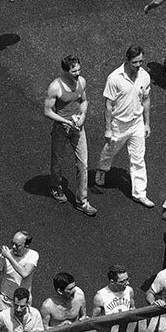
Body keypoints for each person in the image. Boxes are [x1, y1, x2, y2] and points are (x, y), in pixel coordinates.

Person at [95, 46, 153, 208]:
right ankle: (102, 169)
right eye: (135, 62)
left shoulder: (144, 76)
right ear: (127, 60)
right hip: (118, 125)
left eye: (141, 61)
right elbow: (108, 105)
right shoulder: (114, 78)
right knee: (110, 150)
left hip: (136, 124)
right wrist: (108, 128)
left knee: (138, 159)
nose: (138, 65)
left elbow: (146, 99)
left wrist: (147, 123)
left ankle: (140, 194)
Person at [45, 55, 96, 216]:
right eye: (74, 71)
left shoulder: (81, 82)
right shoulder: (55, 87)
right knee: (57, 161)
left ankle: (83, 201)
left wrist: (83, 116)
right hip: (61, 129)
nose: (78, 73)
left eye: (79, 69)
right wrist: (64, 121)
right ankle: (56, 186)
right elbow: (47, 111)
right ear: (65, 71)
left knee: (83, 164)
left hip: (78, 128)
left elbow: (84, 101)